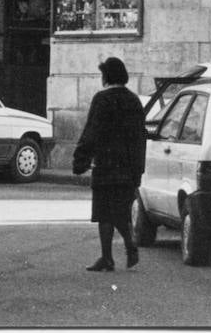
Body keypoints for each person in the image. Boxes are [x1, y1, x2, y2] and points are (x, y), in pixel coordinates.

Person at [72, 57, 147, 272]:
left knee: (103, 211)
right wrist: (138, 170)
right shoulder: (134, 101)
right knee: (121, 210)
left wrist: (81, 159)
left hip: (105, 163)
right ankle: (129, 243)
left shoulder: (102, 99)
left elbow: (92, 131)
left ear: (107, 76)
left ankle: (107, 258)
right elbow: (140, 137)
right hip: (127, 166)